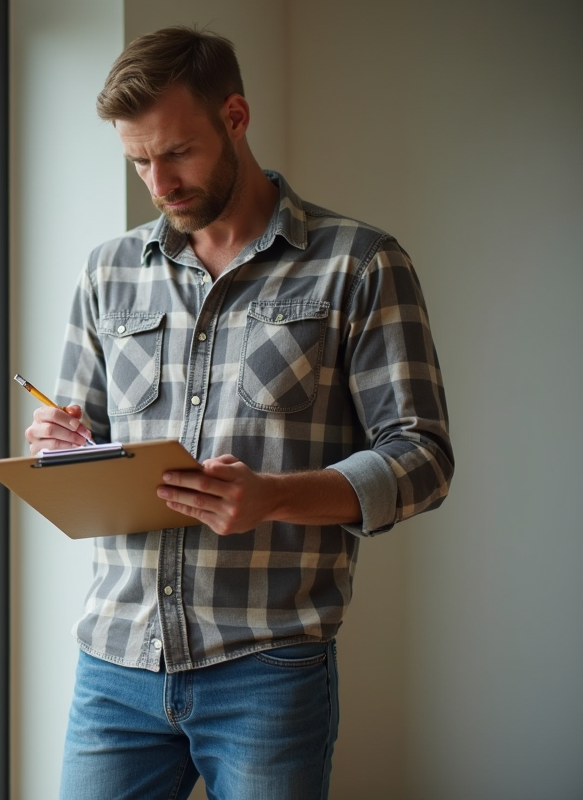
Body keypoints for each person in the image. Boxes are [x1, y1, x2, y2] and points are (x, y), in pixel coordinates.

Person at [25, 26, 453, 800]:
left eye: (177, 152)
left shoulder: (359, 262)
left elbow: (421, 456)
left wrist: (275, 497)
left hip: (269, 667)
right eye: (139, 161)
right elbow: (81, 433)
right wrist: (61, 445)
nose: (159, 183)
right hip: (114, 665)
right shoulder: (106, 270)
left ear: (235, 116)